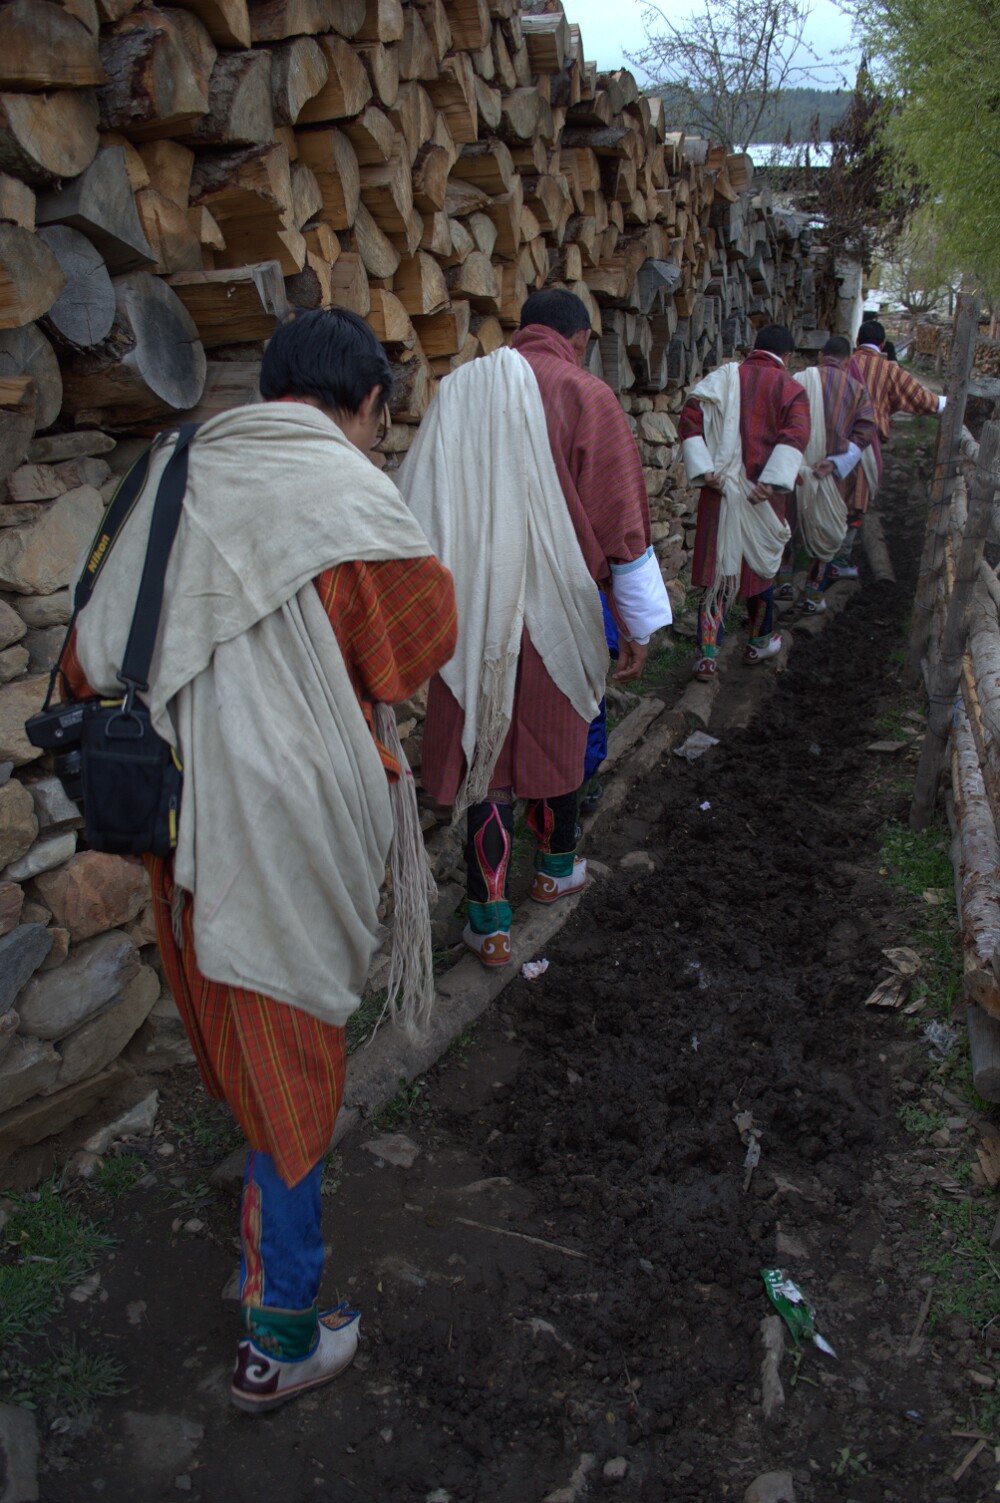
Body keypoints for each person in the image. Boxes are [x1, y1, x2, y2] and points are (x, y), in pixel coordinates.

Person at [61, 309, 457, 1413]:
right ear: (368, 403)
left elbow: (85, 658)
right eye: (381, 417)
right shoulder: (347, 494)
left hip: (183, 821)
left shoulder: (179, 467)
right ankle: (278, 1339)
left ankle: (262, 1255)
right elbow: (418, 640)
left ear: (272, 385)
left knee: (240, 1035)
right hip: (289, 823)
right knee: (293, 1067)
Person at [400, 289, 672, 968]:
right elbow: (624, 526)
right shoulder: (587, 395)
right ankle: (555, 870)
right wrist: (639, 626)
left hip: (475, 607)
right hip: (560, 606)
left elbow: (419, 498)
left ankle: (488, 922)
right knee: (560, 736)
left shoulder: (458, 390)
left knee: (484, 761)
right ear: (577, 340)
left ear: (525, 332)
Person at [679, 325, 810, 681]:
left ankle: (706, 657)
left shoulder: (722, 378)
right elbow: (796, 433)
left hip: (718, 493)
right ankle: (758, 643)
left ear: (754, 349)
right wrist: (771, 481)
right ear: (786, 357)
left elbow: (690, 417)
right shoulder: (790, 388)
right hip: (762, 499)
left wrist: (705, 470)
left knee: (718, 574)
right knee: (760, 574)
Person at [830, 319, 947, 581]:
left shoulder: (840, 363)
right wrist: (948, 403)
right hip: (864, 449)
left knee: (828, 499)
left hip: (828, 444)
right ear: (882, 344)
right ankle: (838, 560)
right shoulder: (887, 370)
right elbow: (922, 399)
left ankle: (818, 560)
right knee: (855, 503)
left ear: (857, 341)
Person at [777, 336, 877, 612]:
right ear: (848, 361)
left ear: (821, 355)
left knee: (788, 526)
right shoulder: (856, 390)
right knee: (827, 531)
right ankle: (813, 596)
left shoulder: (797, 380)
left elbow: (780, 420)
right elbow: (865, 432)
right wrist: (834, 464)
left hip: (794, 468)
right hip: (830, 473)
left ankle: (784, 583)